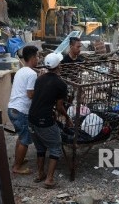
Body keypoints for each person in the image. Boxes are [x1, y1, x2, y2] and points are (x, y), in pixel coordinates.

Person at [28, 52, 73, 189]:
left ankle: (40, 174)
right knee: (55, 146)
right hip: (44, 120)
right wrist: (67, 117)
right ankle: (49, 178)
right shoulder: (61, 84)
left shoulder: (40, 78)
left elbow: (41, 98)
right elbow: (59, 106)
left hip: (32, 117)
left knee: (41, 147)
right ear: (58, 65)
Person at [8, 46, 40, 175]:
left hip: (13, 108)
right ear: (32, 58)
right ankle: (16, 167)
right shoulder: (32, 74)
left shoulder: (22, 71)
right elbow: (30, 94)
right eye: (38, 56)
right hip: (20, 110)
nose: (39, 59)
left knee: (21, 137)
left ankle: (19, 160)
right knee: (25, 139)